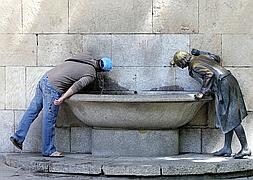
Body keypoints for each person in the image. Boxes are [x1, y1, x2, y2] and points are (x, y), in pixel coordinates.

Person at [10, 51, 112, 157]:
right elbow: (76, 86)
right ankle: (48, 150)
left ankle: (18, 137)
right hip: (53, 88)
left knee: (32, 111)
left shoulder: (85, 56)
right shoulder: (91, 74)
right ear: (102, 70)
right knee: (49, 119)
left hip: (45, 79)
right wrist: (62, 98)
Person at [170, 49, 251, 159]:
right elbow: (216, 57)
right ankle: (227, 147)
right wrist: (200, 52)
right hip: (228, 81)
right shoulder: (199, 58)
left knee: (232, 118)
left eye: (178, 63)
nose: (179, 66)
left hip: (224, 84)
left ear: (182, 61)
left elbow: (209, 74)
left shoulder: (194, 65)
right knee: (226, 117)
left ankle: (245, 148)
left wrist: (202, 92)